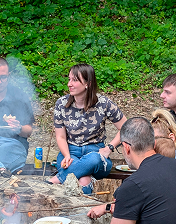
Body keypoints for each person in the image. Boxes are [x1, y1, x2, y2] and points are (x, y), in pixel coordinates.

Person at [47, 63, 126, 196]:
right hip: (70, 152)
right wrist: (66, 155)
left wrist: (109, 148)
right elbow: (60, 137)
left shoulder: (103, 103)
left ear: (87, 83)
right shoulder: (61, 104)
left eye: (75, 80)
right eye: (69, 79)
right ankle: (80, 215)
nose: (69, 84)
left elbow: (126, 127)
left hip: (96, 152)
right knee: (84, 179)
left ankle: (56, 180)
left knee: (94, 159)